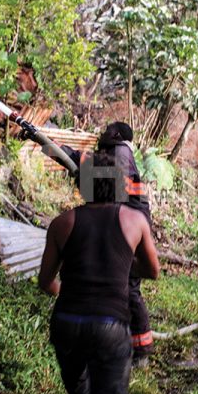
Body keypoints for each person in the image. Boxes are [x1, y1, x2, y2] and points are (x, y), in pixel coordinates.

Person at [38, 151, 160, 394]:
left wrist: (71, 294)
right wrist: (122, 266)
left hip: (66, 324)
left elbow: (45, 281)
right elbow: (153, 271)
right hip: (110, 328)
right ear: (119, 185)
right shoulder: (135, 221)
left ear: (83, 185)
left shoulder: (62, 223)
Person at [60, 122, 155, 366]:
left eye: (106, 130)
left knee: (130, 286)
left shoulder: (121, 153)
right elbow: (89, 163)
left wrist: (76, 165)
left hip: (129, 227)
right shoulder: (117, 153)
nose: (101, 133)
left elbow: (106, 185)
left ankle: (141, 348)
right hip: (124, 223)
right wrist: (55, 149)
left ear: (116, 135)